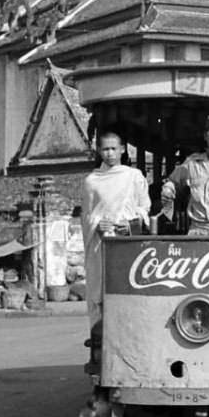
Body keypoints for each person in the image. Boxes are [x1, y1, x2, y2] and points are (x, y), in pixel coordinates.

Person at [81, 131, 150, 331]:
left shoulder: (133, 176)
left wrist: (129, 225)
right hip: (101, 247)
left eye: (113, 149)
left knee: (129, 292)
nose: (110, 153)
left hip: (128, 244)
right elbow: (86, 215)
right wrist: (96, 224)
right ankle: (100, 337)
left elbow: (144, 208)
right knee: (101, 294)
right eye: (105, 149)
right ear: (98, 151)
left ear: (122, 150)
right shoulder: (91, 181)